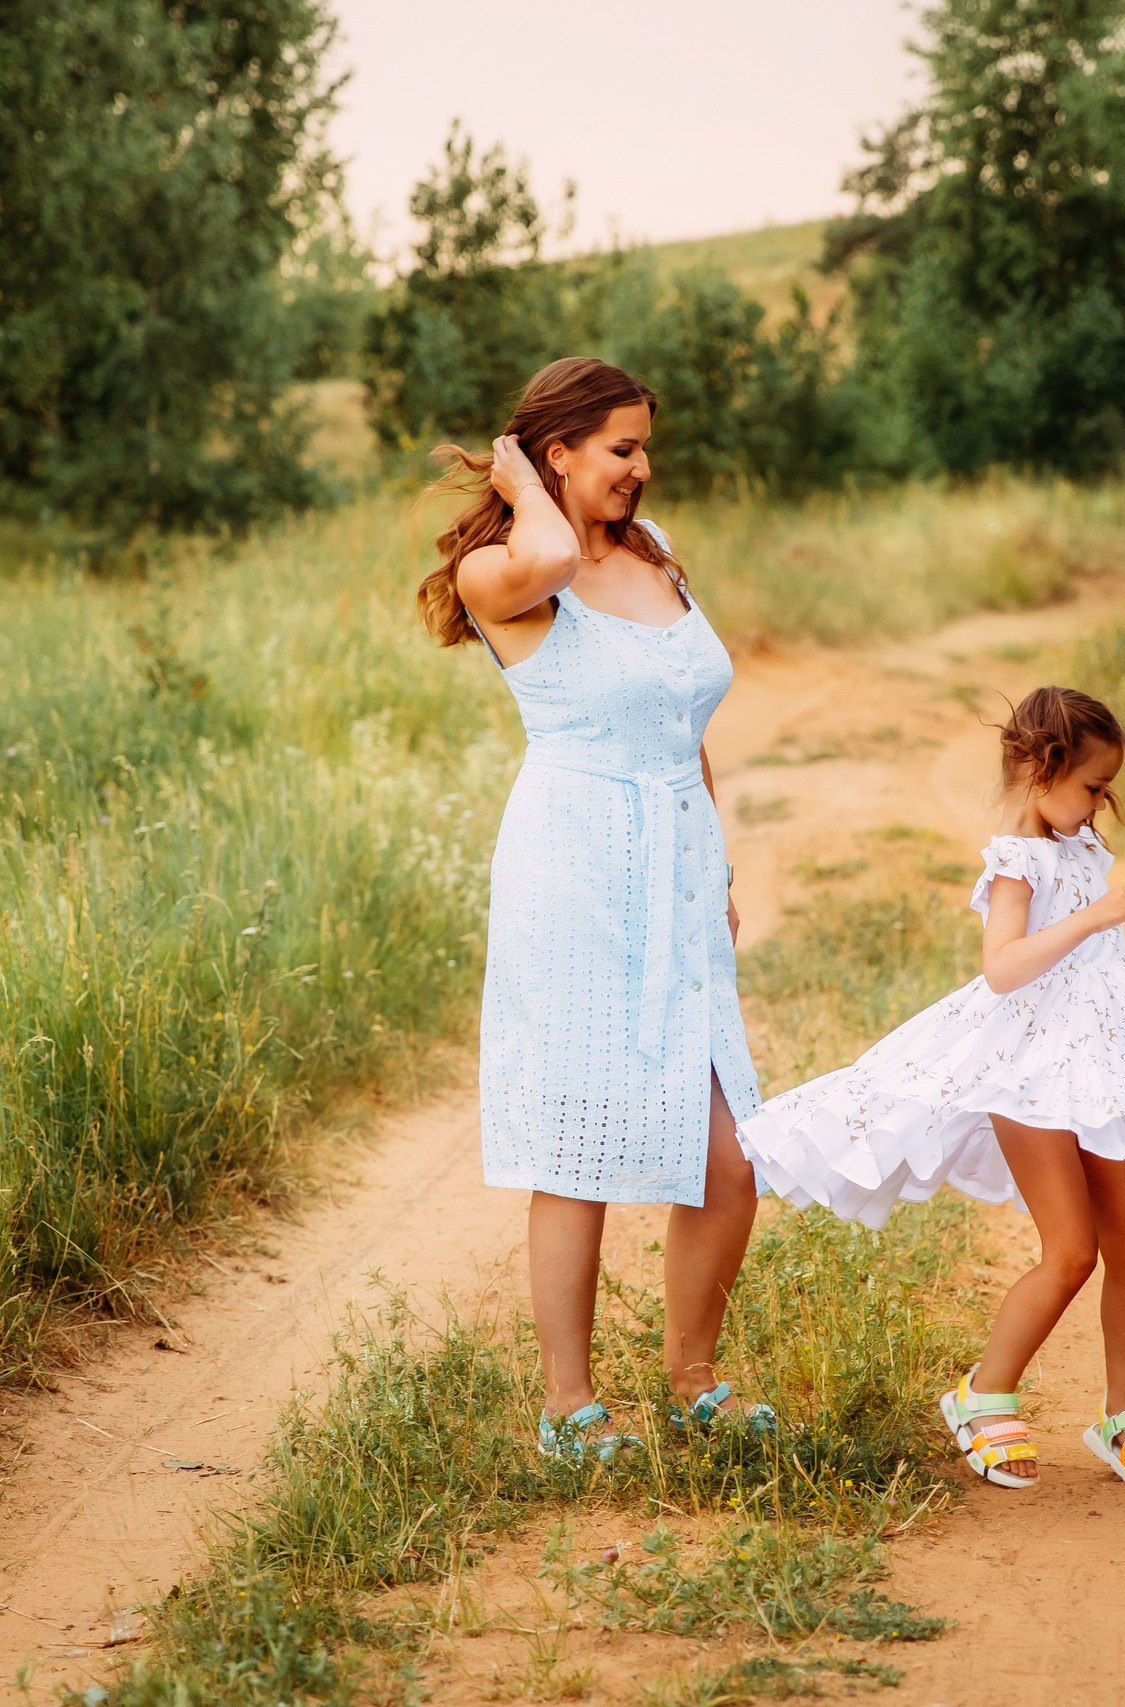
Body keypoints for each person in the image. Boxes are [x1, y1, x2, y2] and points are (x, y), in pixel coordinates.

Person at [734, 687, 1125, 1488]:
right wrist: (1095, 918)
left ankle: (1121, 1414)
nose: (1100, 804)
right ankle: (981, 1394)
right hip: (1026, 1071)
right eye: (1093, 786)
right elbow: (1005, 968)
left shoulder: (1082, 849)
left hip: (1104, 1063)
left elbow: (1089, 971)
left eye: (1105, 788)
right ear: (1040, 770)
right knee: (1071, 1250)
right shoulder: (1015, 860)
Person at [420, 356, 766, 1461]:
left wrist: (712, 869)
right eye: (620, 448)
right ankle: (568, 1405)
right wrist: (525, 492)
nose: (643, 468)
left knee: (727, 1153)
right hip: (572, 872)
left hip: (671, 857)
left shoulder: (657, 553)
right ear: (557, 451)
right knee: (578, 1143)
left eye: (644, 447)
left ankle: (691, 1379)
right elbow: (555, 554)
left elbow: (684, 720)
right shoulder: (500, 573)